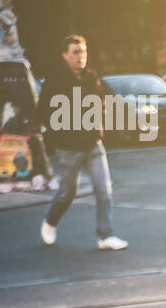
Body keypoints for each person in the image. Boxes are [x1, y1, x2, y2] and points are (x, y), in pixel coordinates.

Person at [37, 35, 128, 250]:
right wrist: (59, 133)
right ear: (65, 55)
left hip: (93, 142)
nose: (80, 57)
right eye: (75, 52)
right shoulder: (56, 79)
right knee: (68, 193)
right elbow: (43, 111)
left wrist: (101, 122)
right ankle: (50, 220)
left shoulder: (91, 76)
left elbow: (103, 101)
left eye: (83, 52)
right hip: (68, 146)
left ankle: (105, 236)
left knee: (104, 188)